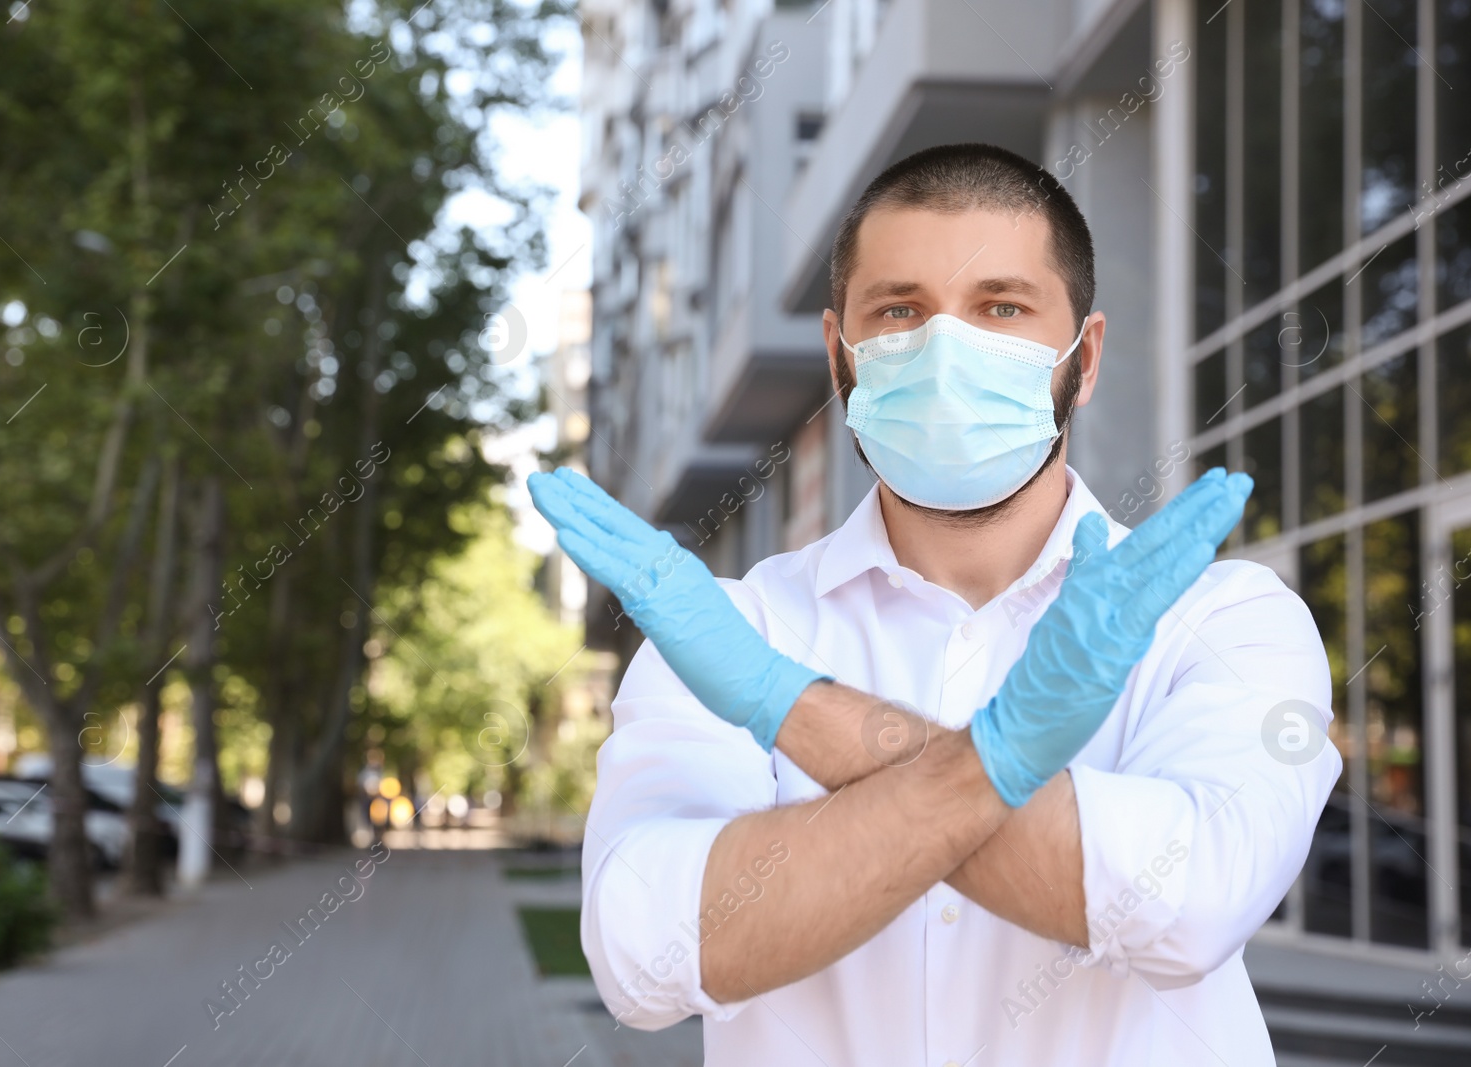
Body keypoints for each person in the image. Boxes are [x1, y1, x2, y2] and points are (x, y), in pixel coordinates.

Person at [529, 143, 1340, 1066]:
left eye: (1002, 307)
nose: (946, 346)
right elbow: (648, 954)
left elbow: (1188, 905)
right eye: (900, 311)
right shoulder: (721, 630)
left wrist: (792, 708)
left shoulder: (1226, 619)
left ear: (1087, 353)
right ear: (840, 358)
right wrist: (1002, 766)